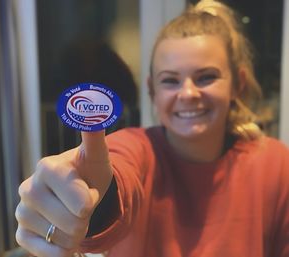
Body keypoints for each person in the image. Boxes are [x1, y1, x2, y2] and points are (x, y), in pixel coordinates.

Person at [15, 0, 289, 256]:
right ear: (152, 90)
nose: (189, 93)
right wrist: (89, 199)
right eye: (170, 81)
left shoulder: (276, 164)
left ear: (237, 84)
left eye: (206, 77)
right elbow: (119, 174)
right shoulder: (138, 147)